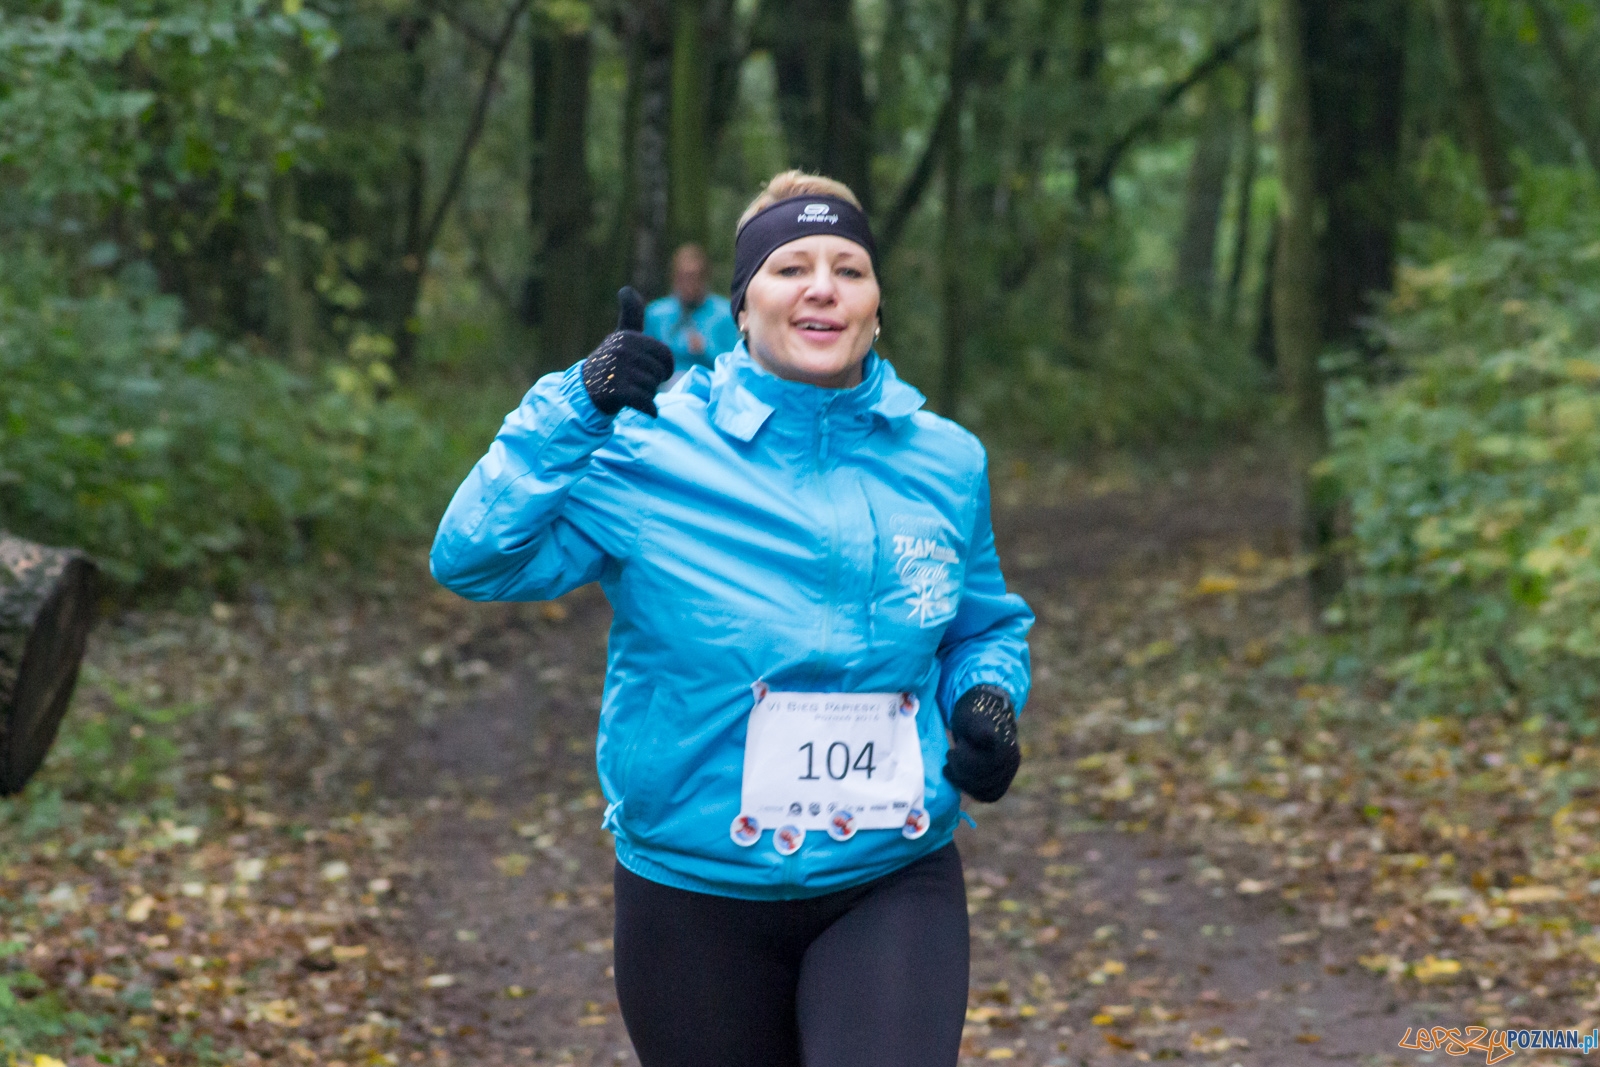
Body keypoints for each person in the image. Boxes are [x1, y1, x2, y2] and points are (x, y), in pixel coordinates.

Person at [430, 169, 1033, 1067]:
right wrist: (576, 401)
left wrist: (985, 698)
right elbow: (474, 557)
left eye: (849, 268)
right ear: (741, 309)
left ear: (877, 306)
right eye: (791, 266)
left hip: (889, 872)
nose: (823, 285)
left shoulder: (945, 461)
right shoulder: (647, 445)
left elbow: (980, 626)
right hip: (691, 888)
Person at [643, 243, 741, 379]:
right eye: (683, 277)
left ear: (705, 278)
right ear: (674, 277)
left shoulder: (724, 314)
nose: (689, 284)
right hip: (664, 389)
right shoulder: (656, 313)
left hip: (709, 389)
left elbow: (735, 364)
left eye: (694, 277)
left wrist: (705, 350)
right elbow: (644, 360)